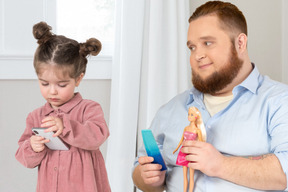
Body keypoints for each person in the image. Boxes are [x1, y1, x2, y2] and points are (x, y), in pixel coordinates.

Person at [132, 1, 288, 191]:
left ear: (240, 43)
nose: (197, 55)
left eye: (207, 43)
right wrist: (149, 178)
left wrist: (221, 165)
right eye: (192, 47)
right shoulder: (171, 109)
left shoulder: (280, 102)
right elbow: (139, 171)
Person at [15, 21, 111, 192]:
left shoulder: (89, 109)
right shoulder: (36, 116)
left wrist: (66, 125)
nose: (52, 91)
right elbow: (25, 159)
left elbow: (98, 136)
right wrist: (33, 146)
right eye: (45, 83)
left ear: (78, 79)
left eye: (61, 85)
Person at [173, 107, 206, 192]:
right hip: (183, 152)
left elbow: (201, 143)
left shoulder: (197, 130)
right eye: (188, 114)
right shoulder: (186, 128)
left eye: (191, 114)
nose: (189, 116)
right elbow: (181, 140)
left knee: (191, 176)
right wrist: (176, 149)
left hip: (191, 153)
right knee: (184, 176)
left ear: (196, 117)